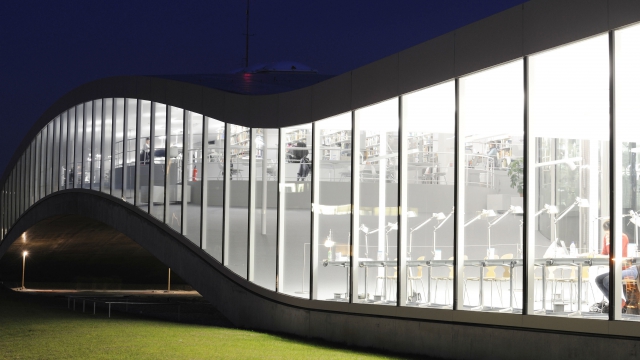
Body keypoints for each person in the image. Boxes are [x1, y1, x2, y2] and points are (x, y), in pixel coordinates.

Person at [592, 220, 634, 313]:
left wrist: (609, 242)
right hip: (616, 269)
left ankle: (618, 303)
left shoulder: (622, 237)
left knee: (607, 280)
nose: (607, 235)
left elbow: (615, 253)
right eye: (606, 233)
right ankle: (617, 301)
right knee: (598, 279)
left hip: (626, 268)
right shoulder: (606, 238)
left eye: (609, 232)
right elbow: (604, 253)